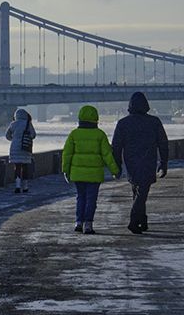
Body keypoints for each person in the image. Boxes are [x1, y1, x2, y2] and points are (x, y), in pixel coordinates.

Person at [111, 91, 170, 234]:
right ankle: (134, 221)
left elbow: (116, 147)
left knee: (138, 191)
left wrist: (117, 165)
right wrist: (163, 163)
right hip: (148, 160)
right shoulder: (154, 122)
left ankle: (141, 222)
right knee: (142, 192)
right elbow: (163, 144)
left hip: (130, 162)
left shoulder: (123, 123)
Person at [61, 104, 119, 235]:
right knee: (91, 199)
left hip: (78, 174)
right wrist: (115, 170)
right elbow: (107, 155)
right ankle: (88, 224)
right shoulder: (100, 135)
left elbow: (67, 154)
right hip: (94, 174)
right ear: (95, 118)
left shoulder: (74, 134)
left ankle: (78, 222)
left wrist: (65, 170)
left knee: (80, 197)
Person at [5, 107, 36, 193]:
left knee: (17, 167)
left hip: (15, 148)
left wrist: (14, 139)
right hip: (25, 148)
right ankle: (25, 187)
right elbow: (33, 135)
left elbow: (7, 135)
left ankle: (17, 186)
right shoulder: (28, 124)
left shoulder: (13, 124)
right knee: (25, 167)